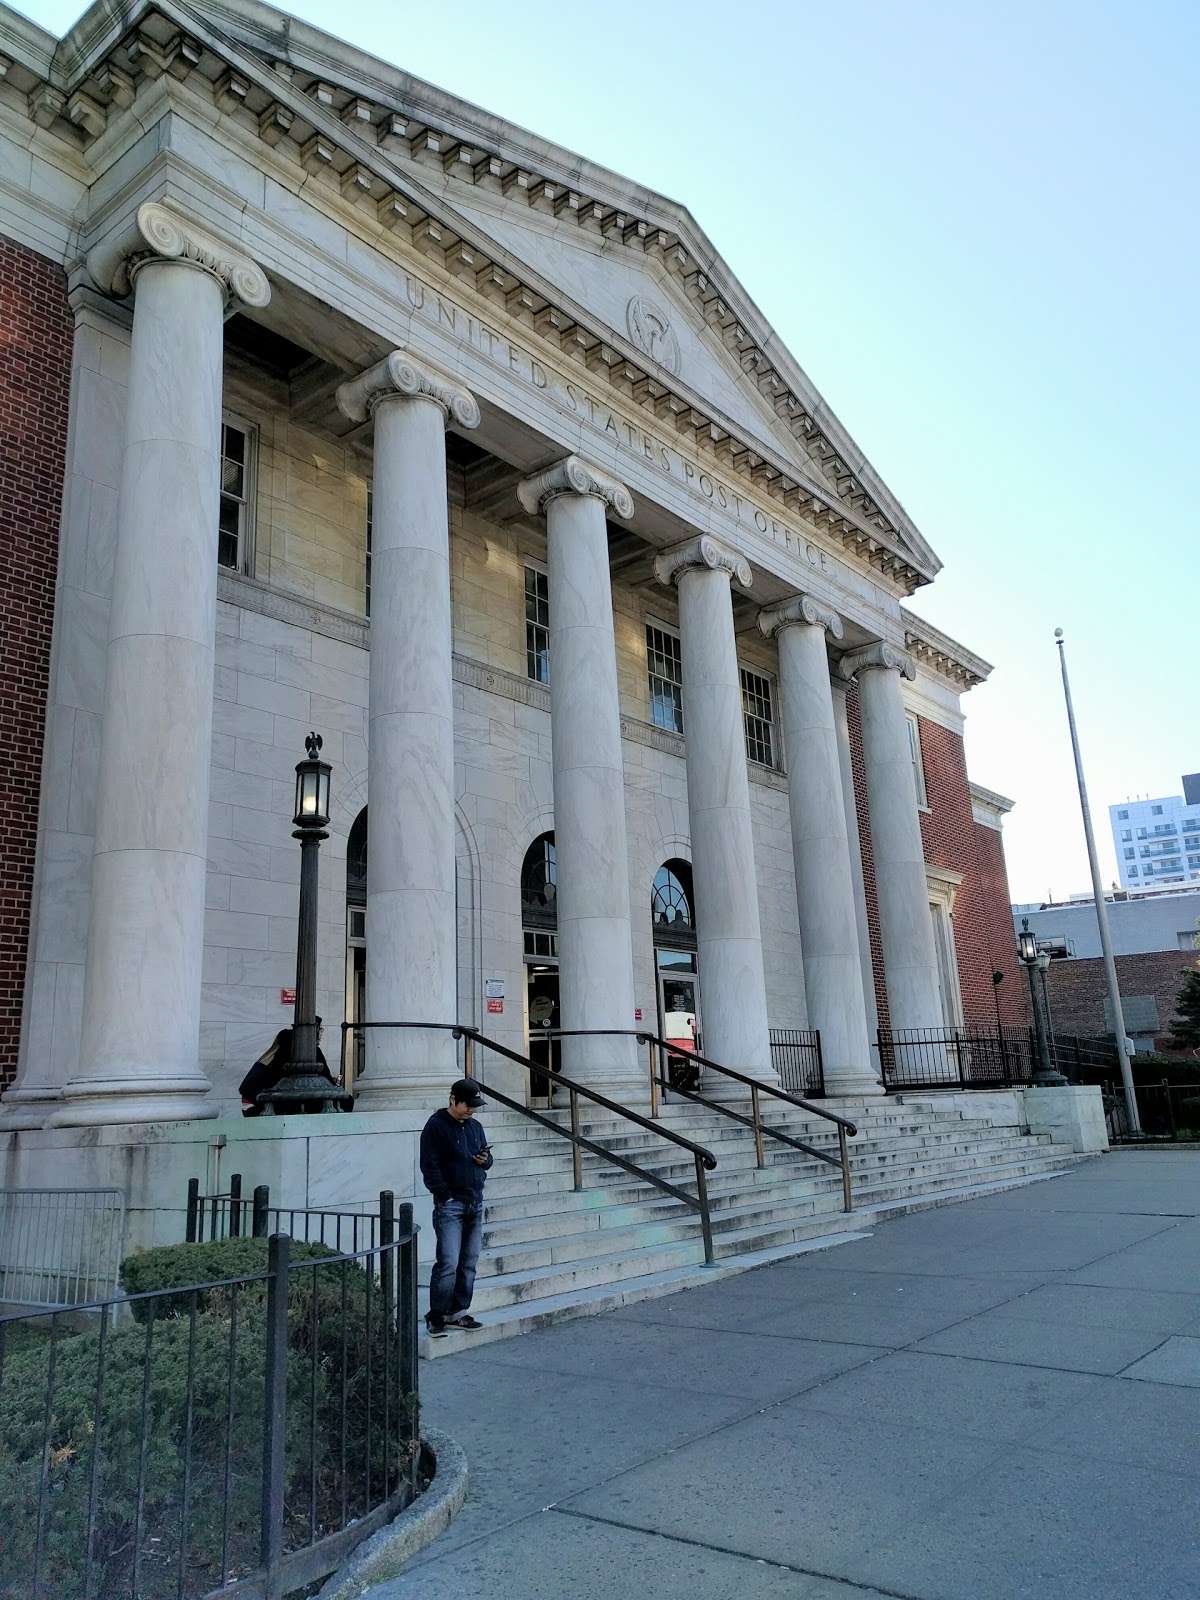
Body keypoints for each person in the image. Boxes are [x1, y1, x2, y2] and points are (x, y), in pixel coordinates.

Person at [419, 1078, 493, 1336]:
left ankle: (458, 1310)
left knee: (469, 1261)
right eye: (468, 1105)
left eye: (475, 1105)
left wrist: (485, 1160)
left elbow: (487, 1159)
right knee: (448, 1261)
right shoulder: (436, 1126)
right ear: (453, 1100)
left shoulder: (475, 1127)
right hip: (451, 1204)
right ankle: (436, 1314)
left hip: (475, 1198)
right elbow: (429, 1165)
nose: (471, 1110)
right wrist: (444, 1194)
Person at [239, 1019, 345, 1115]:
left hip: (253, 1104)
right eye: (320, 1030)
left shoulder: (276, 1052)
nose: (321, 1035)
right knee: (345, 1101)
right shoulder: (310, 1051)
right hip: (270, 1106)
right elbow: (326, 1078)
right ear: (314, 1029)